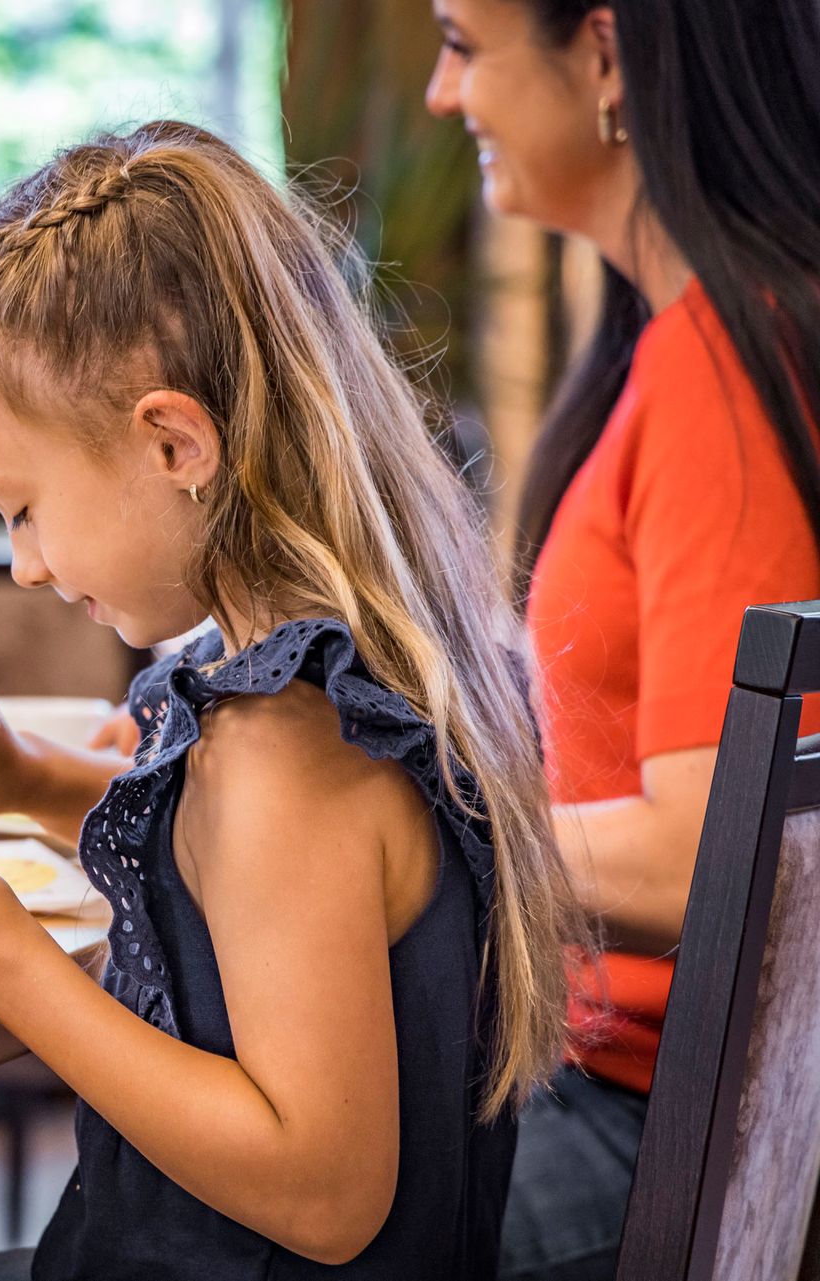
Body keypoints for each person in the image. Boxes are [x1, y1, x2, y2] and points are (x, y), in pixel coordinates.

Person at [0, 120, 585, 1279]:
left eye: (20, 507)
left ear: (174, 441)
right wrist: (28, 778)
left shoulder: (287, 748)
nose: (21, 563)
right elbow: (245, 899)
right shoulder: (327, 682)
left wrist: (4, 961)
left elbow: (324, 1193)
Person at [425, 3, 820, 1276]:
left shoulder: (723, 367)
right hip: (627, 1092)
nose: (443, 94)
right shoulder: (691, 340)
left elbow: (708, 851)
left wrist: (404, 810)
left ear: (602, 54)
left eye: (463, 43)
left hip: (646, 1125)